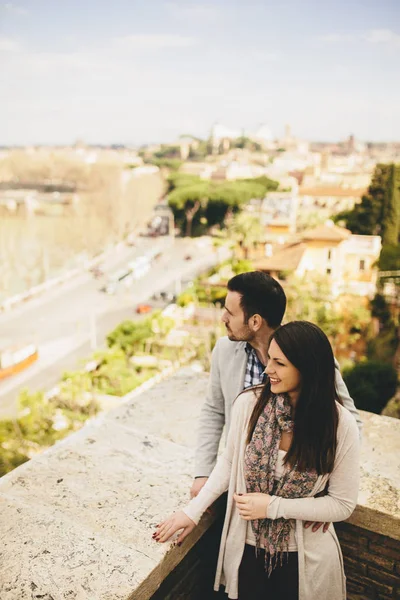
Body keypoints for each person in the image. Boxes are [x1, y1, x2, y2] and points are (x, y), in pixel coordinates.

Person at [154, 321, 360, 600]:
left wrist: (273, 506)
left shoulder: (340, 425)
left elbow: (342, 503)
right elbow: (229, 463)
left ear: (307, 368)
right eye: (269, 359)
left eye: (279, 363)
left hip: (305, 560)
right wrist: (193, 511)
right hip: (248, 550)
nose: (267, 370)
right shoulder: (249, 405)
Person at [191, 271, 362, 506]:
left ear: (255, 321)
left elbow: (348, 420)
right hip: (237, 486)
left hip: (294, 496)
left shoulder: (308, 356)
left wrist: (324, 490)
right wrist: (203, 473)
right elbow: (214, 411)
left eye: (230, 312)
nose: (223, 318)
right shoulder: (224, 350)